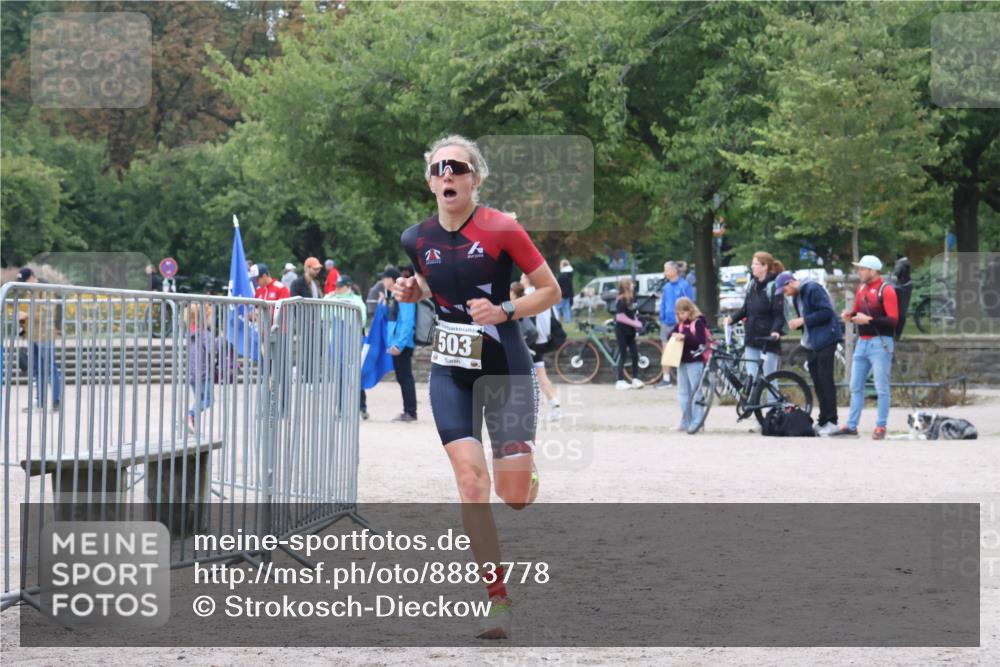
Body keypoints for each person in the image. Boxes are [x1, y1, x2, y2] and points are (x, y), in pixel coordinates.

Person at [392, 134, 560, 640]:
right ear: (429, 180)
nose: (448, 174)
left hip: (505, 366)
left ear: (474, 179)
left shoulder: (502, 227)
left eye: (457, 167)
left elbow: (550, 289)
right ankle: (498, 601)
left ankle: (525, 474)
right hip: (452, 369)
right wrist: (411, 290)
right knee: (471, 481)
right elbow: (434, 281)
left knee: (512, 496)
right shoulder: (414, 238)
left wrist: (506, 308)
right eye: (439, 167)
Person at [831, 255, 898, 440]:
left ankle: (880, 426)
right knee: (855, 385)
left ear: (873, 270)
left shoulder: (887, 290)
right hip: (863, 341)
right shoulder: (861, 288)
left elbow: (893, 320)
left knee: (881, 387)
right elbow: (859, 311)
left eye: (862, 268)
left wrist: (868, 320)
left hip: (880, 342)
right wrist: (850, 315)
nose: (859, 272)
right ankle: (852, 426)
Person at [776, 271, 843, 437]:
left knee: (825, 379)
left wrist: (803, 320)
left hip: (827, 338)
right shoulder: (796, 297)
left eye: (784, 290)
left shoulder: (813, 289)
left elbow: (826, 312)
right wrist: (797, 324)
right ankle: (823, 420)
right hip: (812, 341)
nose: (785, 294)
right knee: (817, 381)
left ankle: (832, 421)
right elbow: (807, 319)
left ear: (790, 282)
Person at [725, 252, 785, 378]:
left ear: (765, 267)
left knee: (769, 378)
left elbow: (779, 314)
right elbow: (746, 309)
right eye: (752, 263)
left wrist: (775, 331)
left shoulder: (774, 286)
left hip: (767, 341)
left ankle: (773, 399)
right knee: (751, 379)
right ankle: (754, 398)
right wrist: (732, 319)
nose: (752, 266)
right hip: (751, 339)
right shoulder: (752, 284)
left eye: (755, 264)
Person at [512, 279, 561, 420]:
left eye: (522, 277)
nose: (520, 280)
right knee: (541, 375)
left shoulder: (528, 296)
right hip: (540, 341)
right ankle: (555, 404)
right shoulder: (544, 294)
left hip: (529, 342)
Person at [16, 267, 63, 412]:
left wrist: (26, 315)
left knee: (50, 367)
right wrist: (23, 328)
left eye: (24, 281)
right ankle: (40, 402)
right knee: (37, 370)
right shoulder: (31, 292)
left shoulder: (46, 289)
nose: (23, 284)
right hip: (33, 335)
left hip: (45, 335)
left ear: (31, 277)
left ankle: (56, 400)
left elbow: (46, 310)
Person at [325, 275, 369, 420]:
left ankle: (361, 407)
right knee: (339, 377)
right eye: (336, 286)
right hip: (336, 344)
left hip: (352, 344)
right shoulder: (332, 298)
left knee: (355, 376)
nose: (337, 289)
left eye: (340, 286)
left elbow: (362, 319)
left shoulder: (356, 300)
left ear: (348, 286)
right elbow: (322, 313)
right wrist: (329, 295)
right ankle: (340, 409)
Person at [382, 266, 417, 422]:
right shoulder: (394, 295)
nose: (382, 281)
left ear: (390, 279)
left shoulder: (404, 293)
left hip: (402, 344)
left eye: (384, 278)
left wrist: (399, 345)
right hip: (398, 343)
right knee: (402, 378)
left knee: (405, 377)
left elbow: (407, 321)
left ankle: (410, 412)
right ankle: (408, 411)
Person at [669, 297, 709, 433]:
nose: (681, 316)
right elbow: (670, 334)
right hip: (682, 361)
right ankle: (686, 421)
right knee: (683, 393)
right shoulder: (680, 325)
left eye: (683, 313)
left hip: (694, 361)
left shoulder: (697, 323)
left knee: (696, 393)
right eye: (679, 313)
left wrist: (685, 337)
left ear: (690, 310)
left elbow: (700, 342)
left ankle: (698, 421)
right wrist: (675, 335)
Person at [656, 261, 694, 387]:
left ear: (674, 270)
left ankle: (684, 378)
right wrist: (662, 317)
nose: (665, 272)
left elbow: (690, 303)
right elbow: (663, 303)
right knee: (665, 350)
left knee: (681, 351)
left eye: (666, 269)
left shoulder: (684, 285)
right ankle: (666, 379)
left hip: (679, 323)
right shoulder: (666, 287)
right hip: (666, 322)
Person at [187, 304, 214, 434]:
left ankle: (192, 425)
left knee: (199, 400)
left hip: (192, 373)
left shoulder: (191, 332)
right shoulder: (205, 334)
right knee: (208, 400)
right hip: (203, 372)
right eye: (210, 317)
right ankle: (189, 415)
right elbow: (212, 350)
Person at [613, 277, 645, 390]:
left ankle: (635, 379)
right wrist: (635, 324)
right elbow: (620, 317)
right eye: (631, 284)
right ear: (627, 286)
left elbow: (632, 314)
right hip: (622, 331)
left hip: (630, 331)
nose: (633, 285)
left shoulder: (630, 300)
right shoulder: (620, 300)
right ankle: (620, 380)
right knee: (623, 354)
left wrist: (637, 322)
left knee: (635, 354)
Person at [892, 253, 912, 338]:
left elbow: (896, 274)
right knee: (902, 310)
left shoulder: (901, 263)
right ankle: (898, 333)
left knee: (900, 311)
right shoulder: (907, 263)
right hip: (907, 287)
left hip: (901, 288)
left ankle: (896, 333)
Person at [556, 259, 574, 323]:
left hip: (562, 294)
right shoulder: (570, 275)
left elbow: (558, 285)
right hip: (568, 295)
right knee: (566, 309)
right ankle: (568, 321)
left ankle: (557, 320)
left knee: (557, 308)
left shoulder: (562, 276)